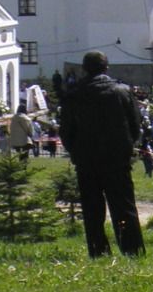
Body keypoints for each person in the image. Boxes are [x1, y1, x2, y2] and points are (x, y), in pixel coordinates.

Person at [57, 50, 146, 258]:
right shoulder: (122, 91)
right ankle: (132, 249)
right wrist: (126, 148)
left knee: (92, 209)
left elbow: (66, 132)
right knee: (124, 207)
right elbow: (135, 126)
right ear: (106, 67)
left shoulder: (74, 95)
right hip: (117, 159)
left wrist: (76, 151)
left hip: (86, 160)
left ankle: (99, 251)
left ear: (84, 69)